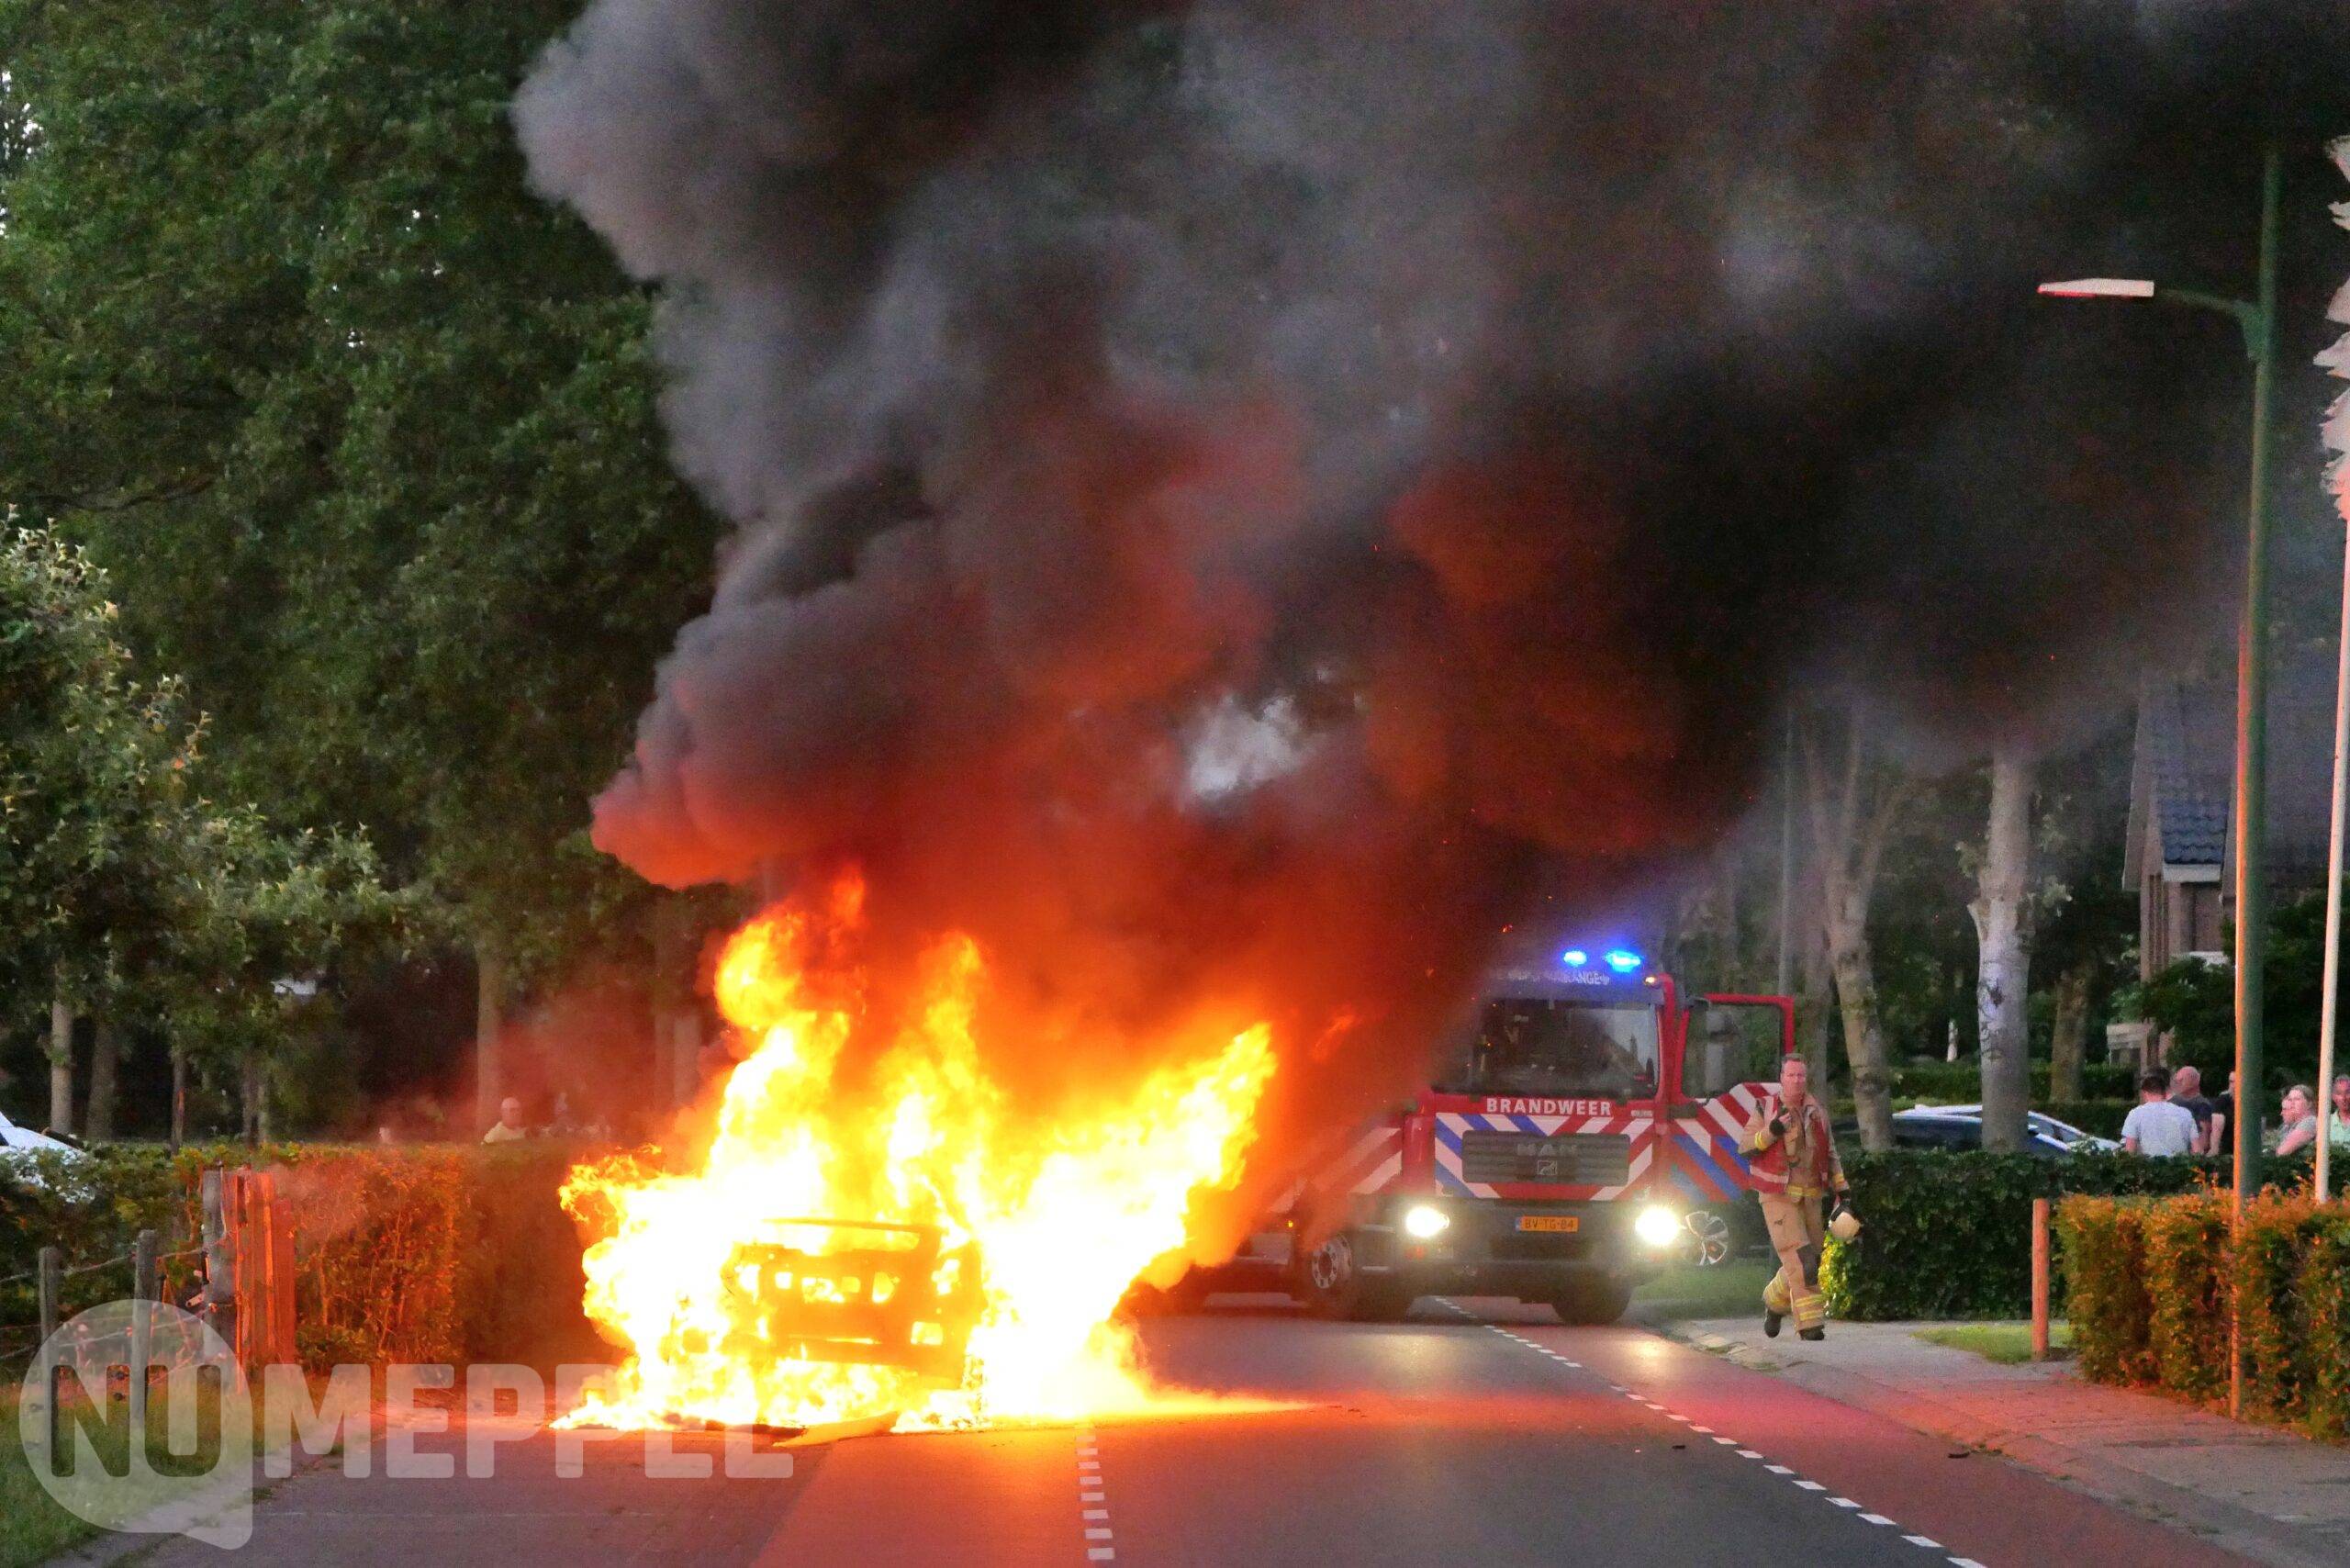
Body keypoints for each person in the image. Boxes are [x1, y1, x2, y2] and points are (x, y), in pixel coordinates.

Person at [1738, 1055, 1849, 1343]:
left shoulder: (1817, 1112)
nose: (1797, 1080)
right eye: (1792, 1075)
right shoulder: (1767, 1107)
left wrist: (1843, 1189)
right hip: (1778, 1197)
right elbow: (1746, 1147)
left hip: (1811, 1197)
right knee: (1803, 1263)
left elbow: (1831, 1153)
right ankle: (1809, 1326)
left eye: (1801, 1075)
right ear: (1781, 1078)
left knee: (1811, 1259)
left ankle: (1773, 1303)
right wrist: (1772, 1131)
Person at [2121, 1070, 2198, 1157]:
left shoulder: (2135, 1114)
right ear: (2165, 1092)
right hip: (2179, 1167)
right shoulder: (2185, 1113)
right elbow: (2197, 1150)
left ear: (2144, 1093)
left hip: (2149, 1167)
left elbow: (2130, 1151)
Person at [2167, 1065, 2214, 1154]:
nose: (2178, 1083)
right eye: (2177, 1080)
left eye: (2182, 1080)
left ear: (2194, 1081)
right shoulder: (2171, 1102)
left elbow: (2204, 1135)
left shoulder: (2202, 1105)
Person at [2275, 1085, 2320, 1159]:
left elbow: (2283, 1151)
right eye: (2290, 1099)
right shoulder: (2290, 1125)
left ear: (2309, 1104)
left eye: (2297, 1099)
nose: (2292, 1103)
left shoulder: (2310, 1121)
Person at [2328, 1077, 2350, 1150]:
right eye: (2339, 1094)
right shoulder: (2325, 1123)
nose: (2344, 1098)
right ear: (2333, 1097)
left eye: (2347, 1092)